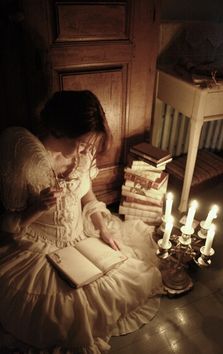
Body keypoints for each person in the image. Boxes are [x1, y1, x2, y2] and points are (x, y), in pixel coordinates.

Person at [0, 90, 163, 354]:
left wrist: (101, 228)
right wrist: (37, 208)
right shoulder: (26, 158)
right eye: (80, 142)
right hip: (40, 246)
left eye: (88, 144)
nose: (84, 151)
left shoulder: (82, 154)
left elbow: (86, 194)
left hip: (81, 236)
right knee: (63, 311)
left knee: (128, 279)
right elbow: (9, 227)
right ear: (59, 129)